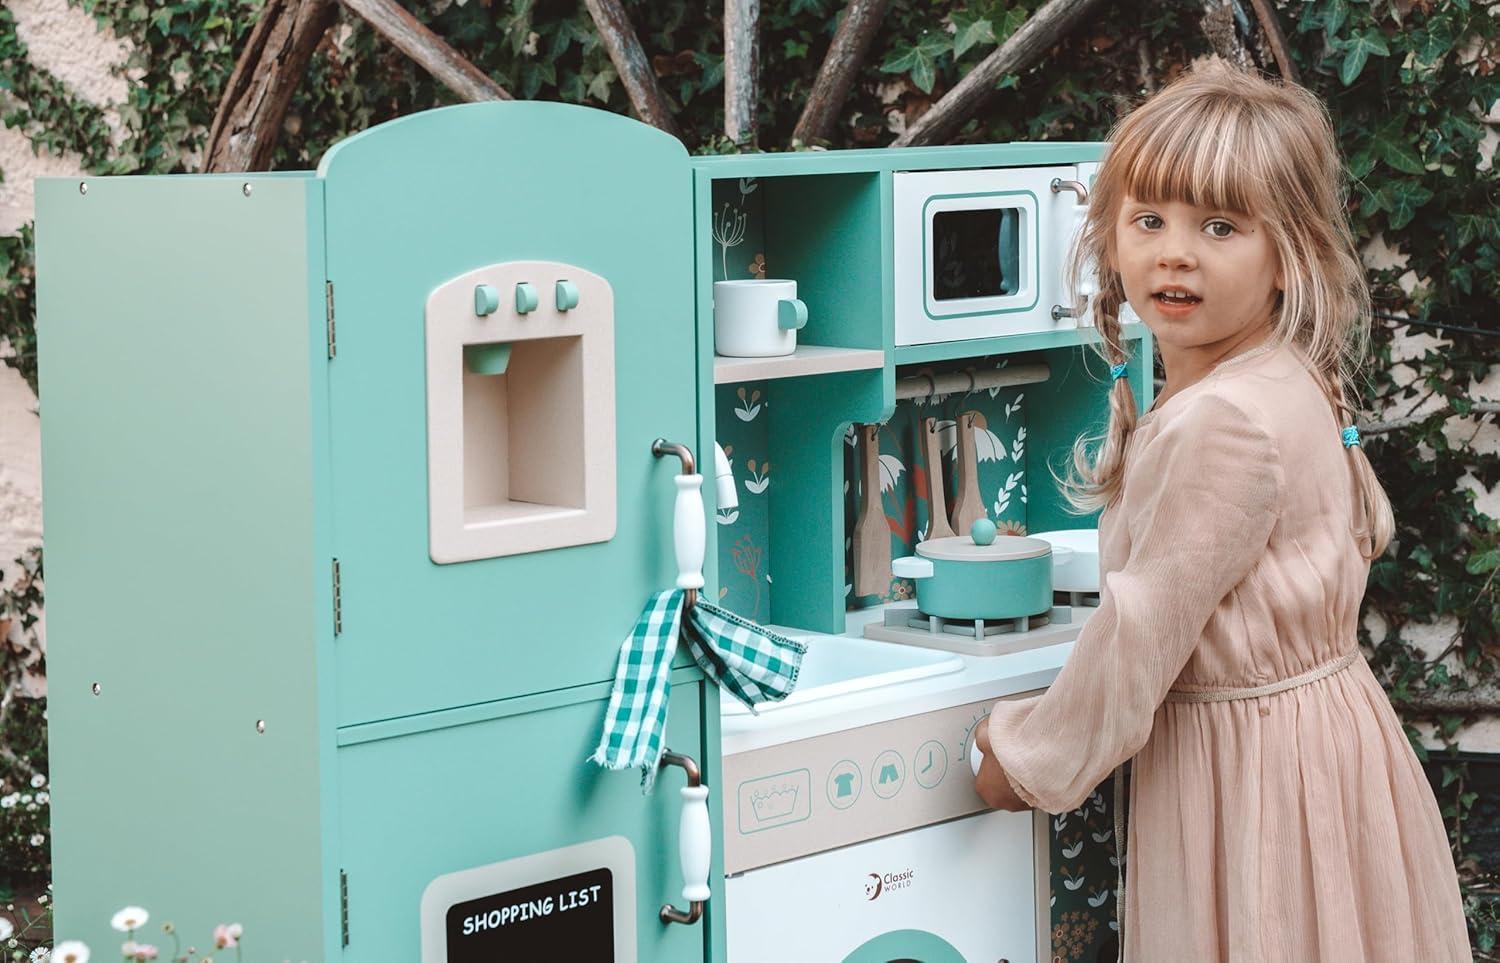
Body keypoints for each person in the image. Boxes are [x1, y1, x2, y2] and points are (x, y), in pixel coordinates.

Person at [971, 59, 1472, 961]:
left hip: (1254, 779)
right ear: (1110, 236)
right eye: (1150, 220)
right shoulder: (1283, 377)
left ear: (1289, 255)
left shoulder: (1220, 419)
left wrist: (1025, 760)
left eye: (1220, 226)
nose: (1176, 253)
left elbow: (1139, 638)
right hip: (1325, 749)